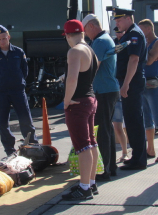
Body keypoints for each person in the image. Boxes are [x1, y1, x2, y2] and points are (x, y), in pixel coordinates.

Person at [0, 25, 38, 157]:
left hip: (17, 91)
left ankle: (32, 144)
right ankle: (9, 149)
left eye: (4, 38)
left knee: (25, 118)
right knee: (3, 122)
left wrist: (18, 82)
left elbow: (24, 71)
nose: (2, 41)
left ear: (9, 37)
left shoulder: (18, 53)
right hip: (1, 92)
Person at [61, 19, 99, 201]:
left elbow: (72, 79)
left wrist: (67, 101)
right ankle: (90, 182)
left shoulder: (74, 51)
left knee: (83, 146)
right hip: (90, 98)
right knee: (91, 142)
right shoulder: (91, 50)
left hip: (78, 102)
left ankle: (84, 188)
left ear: (68, 35)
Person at [82, 14, 120, 180]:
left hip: (103, 91)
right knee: (107, 129)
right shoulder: (105, 39)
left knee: (102, 131)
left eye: (84, 30)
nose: (84, 34)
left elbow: (92, 66)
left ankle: (104, 170)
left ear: (90, 26)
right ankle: (110, 167)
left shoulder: (100, 42)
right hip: (107, 89)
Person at [114, 7, 147, 170]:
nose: (117, 23)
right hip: (129, 82)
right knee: (131, 119)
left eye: (119, 20)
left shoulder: (134, 34)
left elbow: (134, 60)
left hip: (132, 83)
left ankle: (139, 160)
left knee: (134, 120)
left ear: (128, 18)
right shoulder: (129, 34)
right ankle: (136, 156)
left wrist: (126, 84)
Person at [138, 19, 158, 163]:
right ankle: (150, 149)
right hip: (143, 83)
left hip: (153, 84)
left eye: (141, 29)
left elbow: (149, 60)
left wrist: (140, 49)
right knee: (147, 119)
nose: (139, 33)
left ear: (148, 29)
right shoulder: (147, 43)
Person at [112, 27, 129, 163]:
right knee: (117, 125)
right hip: (112, 88)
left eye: (121, 32)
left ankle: (125, 151)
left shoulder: (128, 45)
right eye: (117, 32)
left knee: (125, 124)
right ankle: (124, 152)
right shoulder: (112, 44)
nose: (119, 34)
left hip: (122, 87)